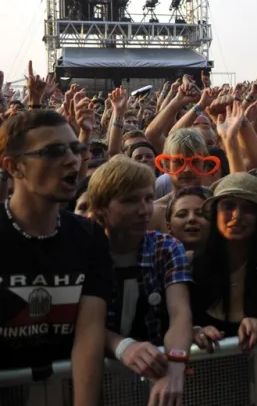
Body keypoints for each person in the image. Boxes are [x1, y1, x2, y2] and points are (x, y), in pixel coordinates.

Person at [0, 110, 113, 406]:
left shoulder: (90, 237)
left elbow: (89, 336)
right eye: (53, 151)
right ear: (14, 167)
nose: (72, 160)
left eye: (76, 149)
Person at [87, 155, 193, 406]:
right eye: (130, 200)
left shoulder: (166, 247)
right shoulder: (83, 249)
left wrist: (176, 369)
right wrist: (122, 346)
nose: (144, 209)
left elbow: (180, 312)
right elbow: (77, 322)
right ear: (102, 207)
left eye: (148, 198)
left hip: (153, 378)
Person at [192, 173, 257, 352]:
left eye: (248, 209)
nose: (237, 215)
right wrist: (194, 331)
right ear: (215, 212)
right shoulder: (191, 265)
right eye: (228, 206)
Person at [166, 186, 213, 261]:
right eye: (182, 214)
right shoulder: (158, 262)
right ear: (169, 226)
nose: (192, 218)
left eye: (200, 214)